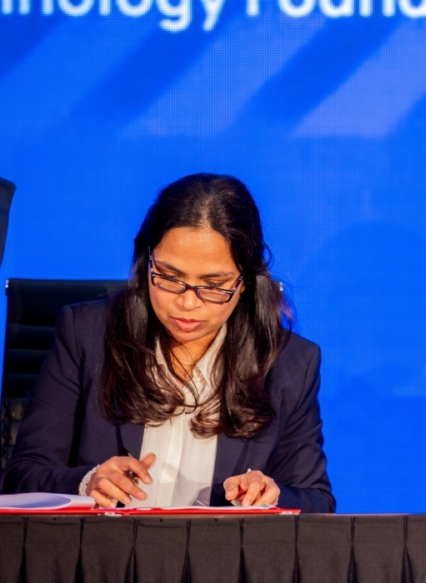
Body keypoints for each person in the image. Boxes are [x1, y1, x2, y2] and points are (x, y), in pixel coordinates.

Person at [0, 173, 335, 512]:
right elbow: (21, 476)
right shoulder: (86, 335)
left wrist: (271, 495)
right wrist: (87, 482)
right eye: (170, 277)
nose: (188, 303)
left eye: (214, 285)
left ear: (245, 281)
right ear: (147, 261)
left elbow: (317, 502)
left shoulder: (289, 363)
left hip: (216, 562)